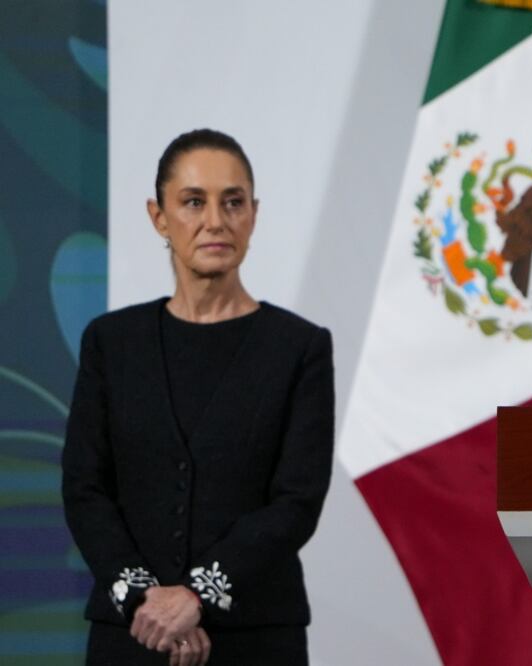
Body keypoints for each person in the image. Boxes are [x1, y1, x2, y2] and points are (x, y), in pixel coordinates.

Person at [62, 129, 334, 665]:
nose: (215, 220)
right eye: (193, 202)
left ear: (253, 214)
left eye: (233, 202)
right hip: (131, 636)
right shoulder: (111, 343)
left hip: (256, 639)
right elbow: (85, 488)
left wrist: (197, 597)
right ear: (159, 217)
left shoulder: (299, 348)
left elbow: (297, 501)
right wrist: (148, 602)